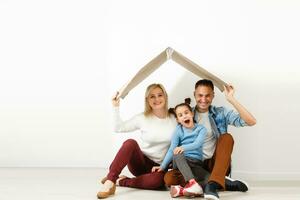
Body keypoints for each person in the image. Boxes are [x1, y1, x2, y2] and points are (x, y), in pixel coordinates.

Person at [164, 79, 256, 200]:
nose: (203, 99)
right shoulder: (185, 113)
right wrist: (163, 166)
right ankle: (221, 182)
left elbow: (251, 121)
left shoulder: (220, 112)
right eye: (200, 95)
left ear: (213, 95)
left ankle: (212, 185)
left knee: (226, 138)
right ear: (194, 95)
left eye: (207, 95)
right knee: (169, 178)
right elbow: (175, 145)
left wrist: (231, 99)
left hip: (215, 164)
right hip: (193, 164)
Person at [97, 83, 177, 199]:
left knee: (159, 182)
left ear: (165, 97)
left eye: (160, 95)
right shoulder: (142, 118)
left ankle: (122, 181)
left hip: (160, 167)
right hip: (141, 163)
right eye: (152, 96)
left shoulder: (174, 118)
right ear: (147, 100)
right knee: (130, 143)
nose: (157, 99)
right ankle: (110, 181)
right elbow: (118, 128)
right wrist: (115, 107)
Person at [152, 98, 210, 198]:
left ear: (192, 113)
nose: (184, 116)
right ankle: (192, 183)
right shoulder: (178, 130)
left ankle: (182, 190)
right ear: (178, 120)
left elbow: (197, 144)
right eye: (180, 115)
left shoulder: (201, 129)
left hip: (195, 163)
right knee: (177, 152)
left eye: (186, 113)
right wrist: (162, 166)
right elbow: (172, 149)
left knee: (209, 179)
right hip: (180, 161)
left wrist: (183, 147)